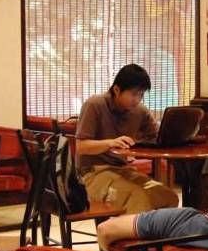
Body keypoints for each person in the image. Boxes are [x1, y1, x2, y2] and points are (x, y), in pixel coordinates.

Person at [75, 64, 179, 214]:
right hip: (91, 174)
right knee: (138, 197)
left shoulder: (139, 111)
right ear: (117, 89)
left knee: (168, 196)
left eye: (141, 95)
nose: (137, 100)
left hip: (124, 170)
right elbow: (81, 147)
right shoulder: (94, 105)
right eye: (133, 94)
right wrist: (110, 143)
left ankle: (151, 230)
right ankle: (131, 229)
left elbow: (157, 137)